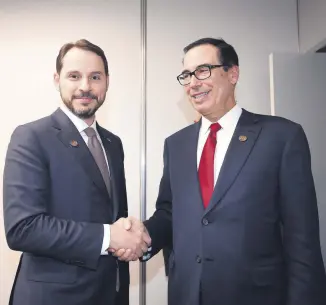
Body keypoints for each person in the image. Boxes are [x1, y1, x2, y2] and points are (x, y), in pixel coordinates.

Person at [114, 38, 326, 305]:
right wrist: (142, 234)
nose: (193, 82)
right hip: (188, 294)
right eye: (187, 75)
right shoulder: (176, 144)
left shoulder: (281, 137)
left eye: (203, 70)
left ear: (233, 73)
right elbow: (170, 213)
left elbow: (302, 239)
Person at [3, 39, 150, 305]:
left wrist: (130, 232)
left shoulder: (112, 143)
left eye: (95, 77)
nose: (85, 86)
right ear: (57, 79)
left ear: (107, 81)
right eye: (74, 76)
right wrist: (109, 236)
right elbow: (23, 228)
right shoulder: (31, 137)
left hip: (110, 294)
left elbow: (112, 216)